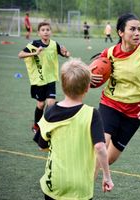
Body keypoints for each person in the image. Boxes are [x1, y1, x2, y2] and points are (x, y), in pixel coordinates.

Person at [95, 13, 140, 174]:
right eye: (132, 29)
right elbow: (93, 71)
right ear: (121, 32)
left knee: (110, 159)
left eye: (139, 29)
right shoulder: (109, 53)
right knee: (100, 148)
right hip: (110, 105)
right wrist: (90, 75)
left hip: (134, 113)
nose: (137, 33)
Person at [34, 58, 114, 200]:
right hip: (81, 185)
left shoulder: (50, 112)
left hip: (55, 182)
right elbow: (101, 148)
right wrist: (107, 176)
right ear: (87, 88)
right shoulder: (92, 114)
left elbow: (42, 146)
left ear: (62, 85)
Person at [18, 21, 70, 134]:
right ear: (38, 33)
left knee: (51, 103)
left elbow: (65, 54)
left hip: (51, 79)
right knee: (41, 104)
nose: (45, 32)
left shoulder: (54, 44)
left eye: (47, 30)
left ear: (50, 32)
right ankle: (36, 126)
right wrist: (34, 53)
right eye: (43, 30)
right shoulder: (34, 44)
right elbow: (20, 55)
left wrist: (66, 54)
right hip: (39, 80)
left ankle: (45, 126)